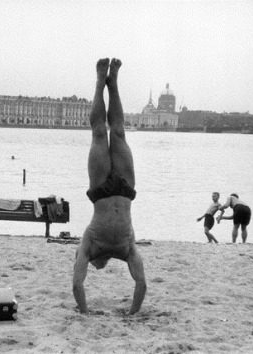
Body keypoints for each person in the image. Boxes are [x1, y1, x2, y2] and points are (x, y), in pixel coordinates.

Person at [73, 58, 146, 315]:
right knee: (117, 132)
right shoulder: (126, 249)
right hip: (125, 189)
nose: (99, 267)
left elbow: (76, 283)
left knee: (99, 133)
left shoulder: (90, 245)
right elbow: (141, 283)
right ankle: (111, 83)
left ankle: (101, 82)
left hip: (101, 188)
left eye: (96, 266)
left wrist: (84, 311)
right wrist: (132, 313)